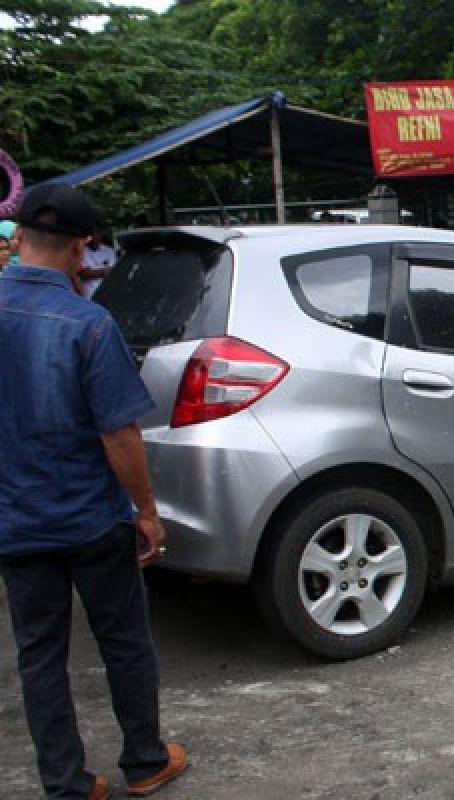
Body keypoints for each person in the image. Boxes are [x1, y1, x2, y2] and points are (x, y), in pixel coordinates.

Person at [0, 183, 188, 800]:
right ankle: (145, 760)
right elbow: (119, 434)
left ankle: (66, 784)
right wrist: (148, 512)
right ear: (84, 248)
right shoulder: (89, 324)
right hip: (91, 519)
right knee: (124, 642)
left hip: (15, 522)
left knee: (39, 655)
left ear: (17, 237)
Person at [78, 224, 116, 298]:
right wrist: (104, 271)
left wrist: (97, 272)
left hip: (110, 293)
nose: (92, 237)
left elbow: (114, 272)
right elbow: (84, 274)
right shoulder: (81, 251)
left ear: (101, 234)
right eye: (90, 234)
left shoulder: (109, 250)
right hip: (91, 296)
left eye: (96, 233)